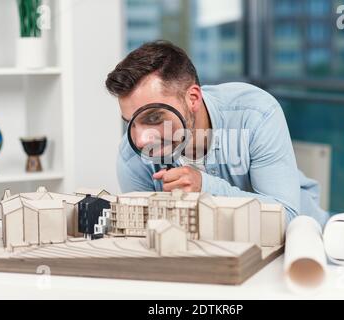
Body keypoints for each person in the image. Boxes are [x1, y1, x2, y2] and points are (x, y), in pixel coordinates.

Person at [105, 40, 328, 225]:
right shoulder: (131, 155)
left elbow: (286, 217)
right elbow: (146, 234)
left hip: (305, 249)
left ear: (193, 98)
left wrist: (205, 188)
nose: (142, 139)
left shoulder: (255, 113)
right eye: (131, 122)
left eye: (154, 118)